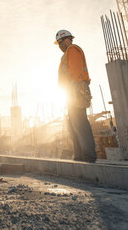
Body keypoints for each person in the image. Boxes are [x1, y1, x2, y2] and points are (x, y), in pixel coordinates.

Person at [55, 29, 96, 163]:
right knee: (73, 125)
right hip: (70, 92)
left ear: (68, 39)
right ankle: (79, 156)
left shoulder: (72, 50)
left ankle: (88, 156)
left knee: (80, 122)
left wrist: (73, 90)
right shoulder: (67, 53)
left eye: (60, 42)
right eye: (58, 44)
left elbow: (76, 71)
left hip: (76, 90)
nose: (60, 46)